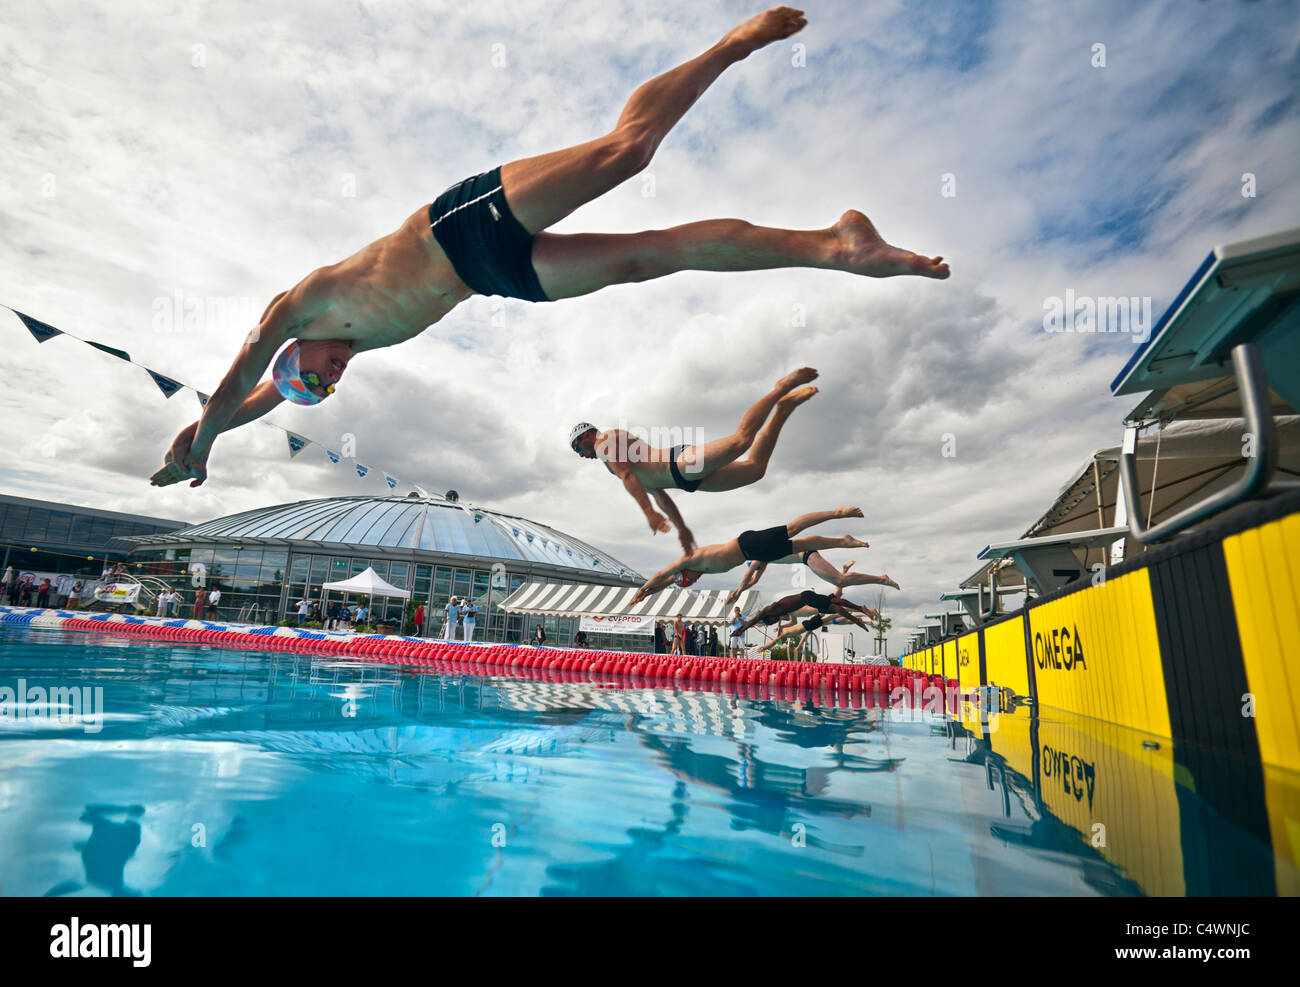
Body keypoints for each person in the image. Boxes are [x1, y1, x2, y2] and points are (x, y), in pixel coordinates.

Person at [149, 7, 948, 491]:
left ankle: (730, 46)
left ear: (297, 349)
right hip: (495, 278)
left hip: (459, 224)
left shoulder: (302, 305)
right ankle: (836, 247)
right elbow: (269, 397)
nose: (333, 378)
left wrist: (205, 440)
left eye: (317, 374)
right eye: (326, 387)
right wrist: (208, 446)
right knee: (648, 255)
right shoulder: (330, 350)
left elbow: (241, 380)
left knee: (629, 152)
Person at [569, 369, 818, 550]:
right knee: (755, 470)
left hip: (679, 463)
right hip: (688, 481)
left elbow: (628, 476)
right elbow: (658, 494)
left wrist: (649, 515)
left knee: (740, 441)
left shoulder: (604, 442)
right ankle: (783, 410)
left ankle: (779, 388)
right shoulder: (611, 465)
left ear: (587, 434)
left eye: (577, 447)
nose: (580, 454)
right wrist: (682, 529)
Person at [631, 506, 898, 601]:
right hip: (758, 551)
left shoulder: (691, 559)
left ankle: (837, 513)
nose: (695, 581)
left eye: (690, 580)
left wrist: (641, 587)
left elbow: (661, 574)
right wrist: (646, 594)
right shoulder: (700, 570)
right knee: (802, 546)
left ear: (686, 572)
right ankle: (844, 541)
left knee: (793, 530)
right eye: (692, 583)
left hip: (748, 543)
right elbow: (666, 582)